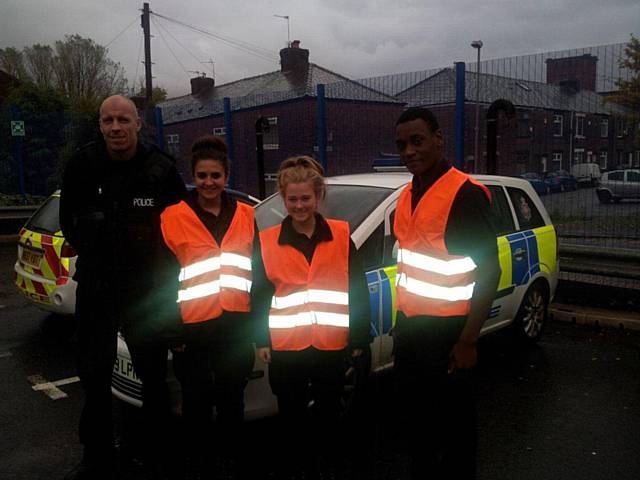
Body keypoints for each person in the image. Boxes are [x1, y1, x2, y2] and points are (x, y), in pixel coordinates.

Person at [59, 95, 187, 479]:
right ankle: (96, 454)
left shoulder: (161, 168)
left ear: (137, 124)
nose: (115, 127)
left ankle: (157, 451)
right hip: (98, 285)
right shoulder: (83, 164)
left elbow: (178, 231)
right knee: (94, 375)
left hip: (146, 290)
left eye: (123, 120)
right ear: (100, 125)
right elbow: (69, 220)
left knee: (152, 376)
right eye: (107, 120)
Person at [392, 107, 501, 479]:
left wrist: (468, 340)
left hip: (449, 336)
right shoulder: (407, 194)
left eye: (417, 141)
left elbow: (490, 271)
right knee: (419, 427)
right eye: (402, 144)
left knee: (455, 432)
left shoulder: (465, 194)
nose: (408, 151)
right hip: (411, 334)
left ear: (438, 138)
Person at [159, 135, 270, 479]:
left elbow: (259, 275)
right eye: (202, 176)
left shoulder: (246, 215)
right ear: (194, 176)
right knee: (196, 402)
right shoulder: (173, 216)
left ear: (227, 176)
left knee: (232, 399)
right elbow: (162, 279)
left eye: (215, 176)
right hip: (192, 330)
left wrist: (260, 332)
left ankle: (232, 459)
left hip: (235, 327)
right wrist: (173, 330)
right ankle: (200, 463)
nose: (209, 183)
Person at [257, 156, 371, 479]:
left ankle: (328, 465)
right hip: (287, 347)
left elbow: (357, 288)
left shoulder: (340, 235)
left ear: (318, 196)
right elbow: (261, 294)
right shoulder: (266, 242)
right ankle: (298, 466)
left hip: (330, 346)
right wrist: (261, 339)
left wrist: (360, 336)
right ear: (283, 197)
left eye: (305, 198)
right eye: (292, 199)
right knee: (291, 417)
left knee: (328, 414)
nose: (299, 205)